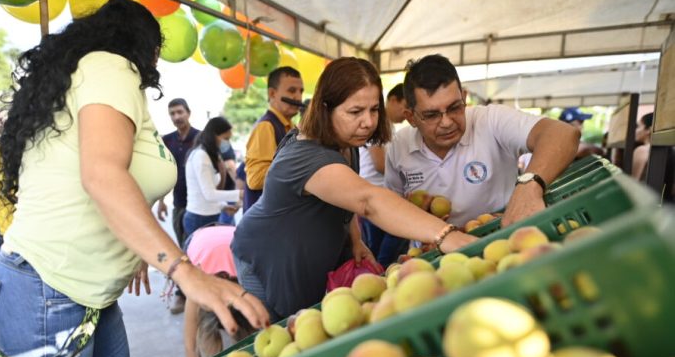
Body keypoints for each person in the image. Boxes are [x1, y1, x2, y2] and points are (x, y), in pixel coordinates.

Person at [0, 0, 268, 357]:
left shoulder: (92, 75)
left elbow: (102, 177)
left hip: (88, 293)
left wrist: (136, 243)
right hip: (47, 290)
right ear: (142, 43)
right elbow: (100, 176)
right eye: (156, 48)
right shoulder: (109, 66)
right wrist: (185, 271)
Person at [232, 57, 477, 321]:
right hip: (268, 259)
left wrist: (356, 239)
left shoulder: (345, 142)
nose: (369, 121)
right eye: (355, 111)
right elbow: (366, 200)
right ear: (326, 109)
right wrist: (446, 236)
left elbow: (345, 199)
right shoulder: (305, 157)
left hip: (308, 255)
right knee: (286, 329)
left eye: (374, 110)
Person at [386, 54, 579, 228]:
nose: (446, 122)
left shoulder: (491, 120)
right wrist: (416, 215)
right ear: (411, 117)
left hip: (500, 241)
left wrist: (530, 185)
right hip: (433, 255)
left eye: (454, 107)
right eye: (431, 115)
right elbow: (393, 206)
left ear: (464, 97)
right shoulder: (398, 147)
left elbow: (562, 134)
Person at [182, 224, 255, 357]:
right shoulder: (198, 285)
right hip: (200, 238)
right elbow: (190, 345)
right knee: (209, 346)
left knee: (245, 342)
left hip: (233, 235)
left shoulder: (249, 280)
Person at [359, 83, 409, 267]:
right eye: (406, 104)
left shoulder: (388, 126)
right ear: (393, 100)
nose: (407, 112)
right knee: (384, 252)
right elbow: (380, 164)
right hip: (374, 195)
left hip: (380, 193)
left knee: (385, 249)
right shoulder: (376, 124)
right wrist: (407, 175)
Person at [243, 66, 303, 211]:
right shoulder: (266, 126)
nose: (298, 97)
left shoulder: (292, 127)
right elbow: (256, 179)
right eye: (291, 91)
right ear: (272, 93)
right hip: (264, 224)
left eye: (300, 91)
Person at [184, 117, 242, 237]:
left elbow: (204, 194)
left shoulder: (207, 154)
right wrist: (240, 194)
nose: (227, 143)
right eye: (225, 138)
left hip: (208, 216)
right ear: (214, 135)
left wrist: (223, 206)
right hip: (199, 219)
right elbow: (209, 194)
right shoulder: (201, 156)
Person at [156, 98, 199, 245]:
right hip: (179, 204)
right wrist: (161, 201)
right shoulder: (167, 140)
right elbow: (163, 172)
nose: (176, 117)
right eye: (172, 114)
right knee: (183, 249)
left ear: (188, 113)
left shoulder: (201, 138)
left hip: (199, 206)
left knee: (196, 249)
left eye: (180, 112)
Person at [631, 112, 654, 181]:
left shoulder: (642, 150)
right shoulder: (668, 151)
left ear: (648, 130)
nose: (635, 131)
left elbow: (633, 182)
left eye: (638, 126)